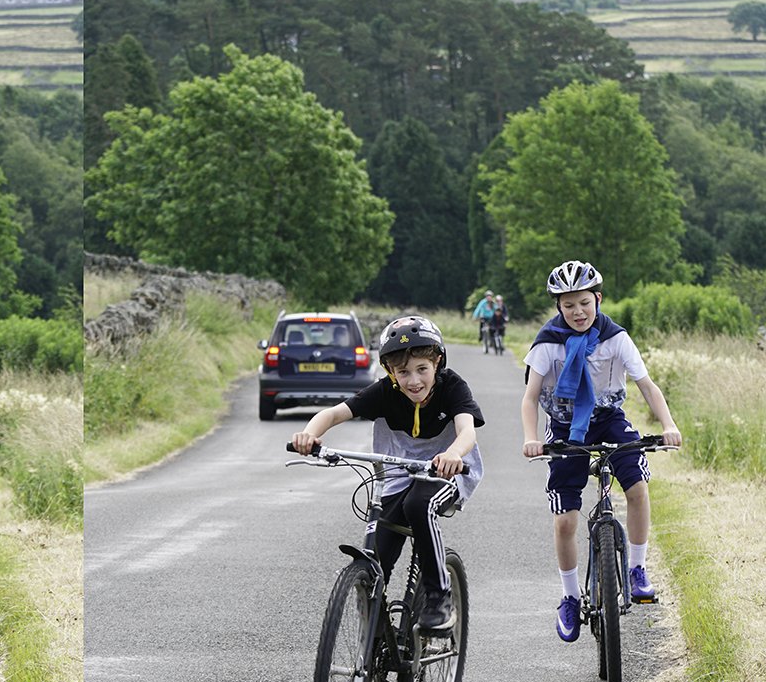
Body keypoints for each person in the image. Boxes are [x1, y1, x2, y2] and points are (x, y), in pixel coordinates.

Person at [519, 259, 682, 643]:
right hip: (564, 426)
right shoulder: (548, 344)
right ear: (559, 307)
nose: (577, 312)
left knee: (638, 486)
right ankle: (570, 596)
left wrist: (668, 425)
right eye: (568, 305)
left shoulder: (616, 338)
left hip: (609, 418)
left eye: (584, 303)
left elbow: (647, 386)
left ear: (598, 299)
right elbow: (529, 398)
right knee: (565, 521)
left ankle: (638, 570)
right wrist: (530, 437)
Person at [291, 315, 484, 631]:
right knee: (374, 561)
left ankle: (439, 598)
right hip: (396, 477)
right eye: (403, 372)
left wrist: (452, 454)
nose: (414, 380)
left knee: (417, 505)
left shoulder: (453, 388)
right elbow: (334, 413)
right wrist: (309, 435)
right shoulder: (384, 392)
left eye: (422, 369)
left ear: (437, 363)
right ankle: (378, 642)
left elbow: (467, 432)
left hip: (449, 473)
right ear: (390, 372)